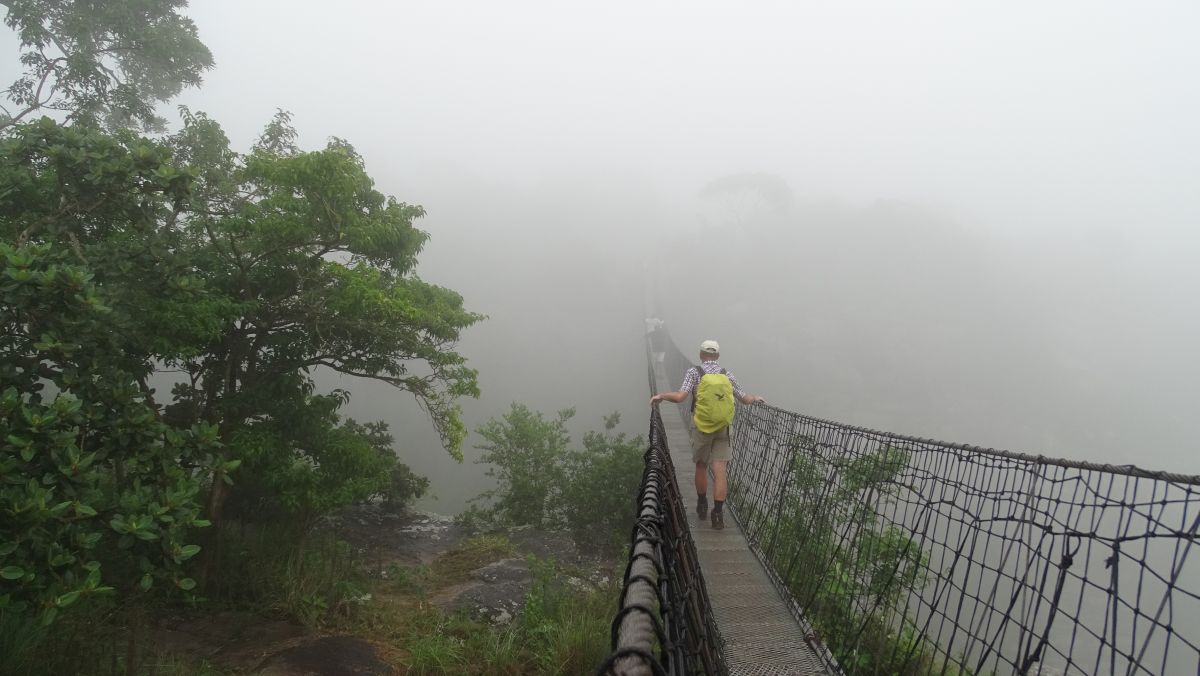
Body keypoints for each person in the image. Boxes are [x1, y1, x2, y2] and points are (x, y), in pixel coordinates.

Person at [650, 339, 764, 529]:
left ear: (701, 355)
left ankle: (702, 504)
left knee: (701, 466)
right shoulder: (727, 374)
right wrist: (755, 398)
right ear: (717, 356)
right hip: (723, 428)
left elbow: (680, 397)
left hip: (702, 427)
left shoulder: (694, 372)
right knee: (720, 470)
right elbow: (744, 398)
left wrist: (661, 396)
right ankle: (718, 514)